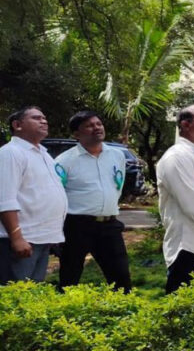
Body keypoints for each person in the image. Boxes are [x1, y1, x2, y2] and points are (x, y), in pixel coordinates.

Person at [55, 111, 132, 292]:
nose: (96, 128)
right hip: (77, 226)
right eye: (89, 126)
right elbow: (57, 195)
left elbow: (117, 186)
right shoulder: (65, 161)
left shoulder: (117, 155)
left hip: (109, 225)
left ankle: (124, 314)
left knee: (121, 278)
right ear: (76, 134)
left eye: (98, 124)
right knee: (70, 277)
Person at [0, 107, 66, 284]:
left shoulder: (43, 154)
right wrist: (17, 238)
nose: (43, 121)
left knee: (32, 296)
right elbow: (5, 199)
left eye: (44, 118)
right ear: (17, 125)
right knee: (15, 298)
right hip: (21, 240)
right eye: (36, 118)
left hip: (40, 239)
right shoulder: (11, 153)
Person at [156, 105, 194, 293]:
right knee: (183, 312)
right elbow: (193, 203)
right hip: (189, 247)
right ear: (185, 124)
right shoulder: (176, 157)